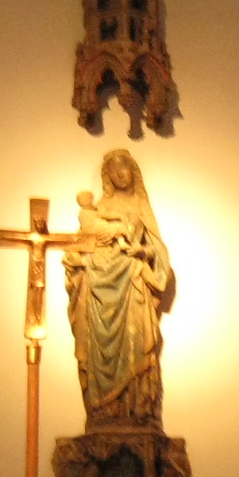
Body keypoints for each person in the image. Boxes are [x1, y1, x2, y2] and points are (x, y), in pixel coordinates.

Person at [64, 149, 173, 426]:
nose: (119, 174)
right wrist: (76, 261)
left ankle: (136, 408)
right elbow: (82, 241)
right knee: (97, 344)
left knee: (136, 343)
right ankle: (103, 410)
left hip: (131, 280)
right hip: (97, 281)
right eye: (113, 171)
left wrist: (142, 252)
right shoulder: (97, 208)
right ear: (107, 176)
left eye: (123, 168)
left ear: (133, 171)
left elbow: (157, 251)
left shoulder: (140, 206)